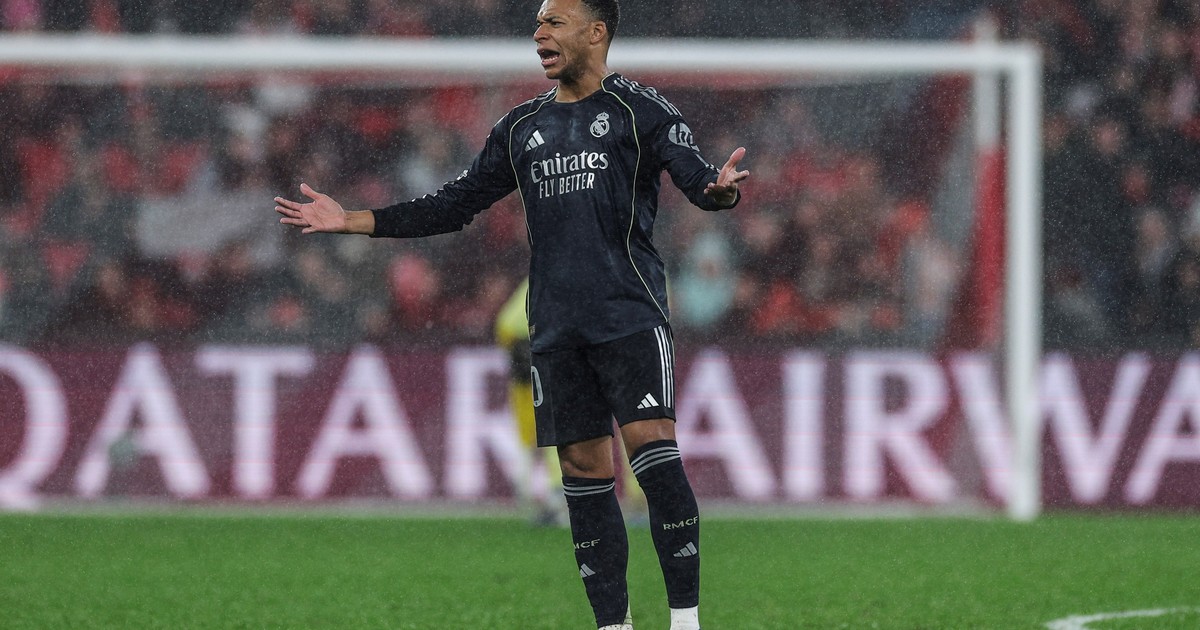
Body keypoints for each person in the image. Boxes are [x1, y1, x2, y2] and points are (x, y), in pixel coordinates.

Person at [275, 1, 748, 627]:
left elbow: (698, 179)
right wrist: (355, 220)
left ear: (596, 32)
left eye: (554, 21)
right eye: (538, 22)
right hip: (553, 325)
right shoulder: (522, 127)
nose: (539, 32)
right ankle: (614, 626)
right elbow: (455, 204)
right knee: (583, 472)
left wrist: (719, 192)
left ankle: (685, 622)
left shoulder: (640, 110)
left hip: (629, 313)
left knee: (653, 455)